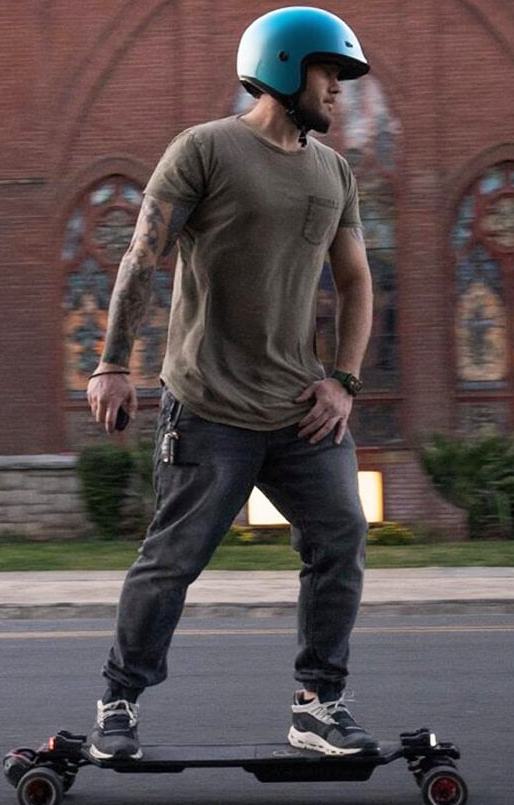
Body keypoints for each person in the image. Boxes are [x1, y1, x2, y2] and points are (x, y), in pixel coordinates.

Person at [83, 6, 378, 761]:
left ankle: (319, 703)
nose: (338, 91)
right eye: (327, 74)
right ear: (282, 68)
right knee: (174, 558)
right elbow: (141, 257)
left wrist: (342, 380)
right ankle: (119, 698)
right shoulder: (205, 150)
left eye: (342, 79)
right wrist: (113, 362)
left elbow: (356, 282)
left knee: (341, 532)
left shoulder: (333, 172)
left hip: (300, 411)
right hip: (208, 407)